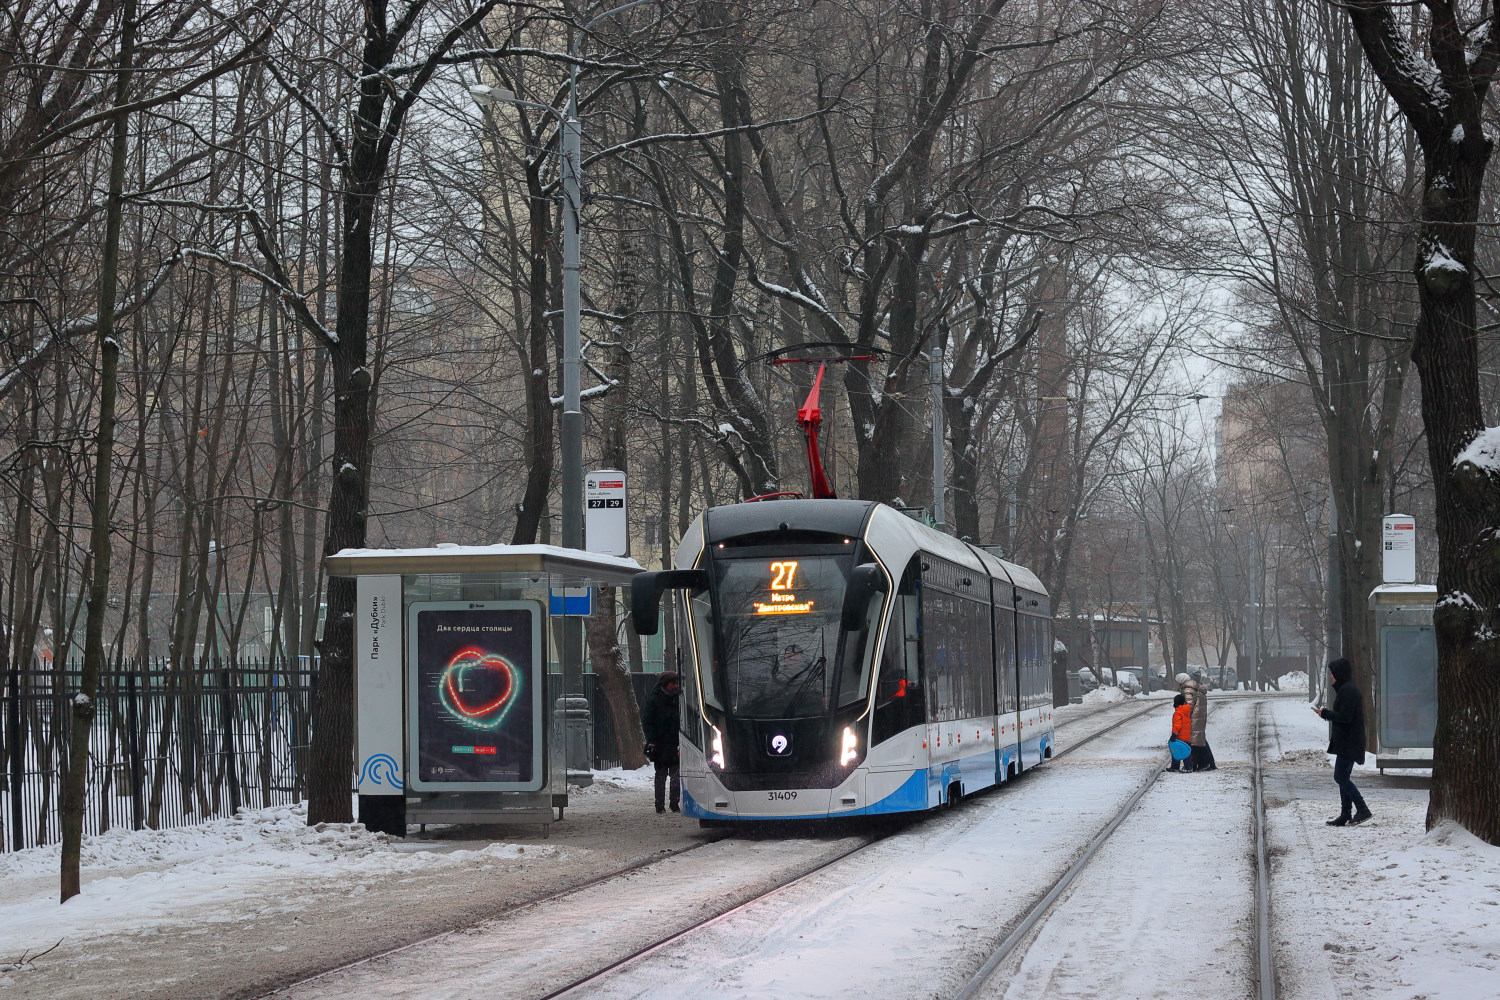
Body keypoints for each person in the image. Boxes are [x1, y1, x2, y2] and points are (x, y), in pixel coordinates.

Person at [1313, 657, 1372, 827]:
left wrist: (1325, 714)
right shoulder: (1347, 689)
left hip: (1349, 742)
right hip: (1348, 741)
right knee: (1343, 777)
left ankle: (1362, 808)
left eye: (1333, 673)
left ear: (1340, 674)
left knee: (1340, 776)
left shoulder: (1348, 691)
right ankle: (1345, 813)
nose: (1331, 677)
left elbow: (1345, 717)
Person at [641, 671, 682, 814]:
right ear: (665, 684)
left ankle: (674, 804)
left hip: (674, 742)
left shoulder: (677, 699)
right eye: (673, 683)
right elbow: (647, 721)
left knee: (675, 776)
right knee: (662, 775)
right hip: (660, 744)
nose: (676, 686)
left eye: (677, 683)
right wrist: (652, 739)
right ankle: (660, 806)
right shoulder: (655, 700)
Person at [1176, 671, 1216, 771]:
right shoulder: (1195, 687)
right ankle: (1207, 763)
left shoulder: (1188, 689)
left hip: (1193, 719)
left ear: (1181, 682)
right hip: (1198, 718)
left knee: (1193, 742)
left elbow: (1188, 706)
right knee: (1200, 741)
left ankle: (1191, 765)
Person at [1168, 693, 1193, 772]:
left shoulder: (1178, 713)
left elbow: (1177, 724)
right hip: (1186, 735)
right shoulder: (1186, 711)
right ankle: (1188, 766)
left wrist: (1174, 734)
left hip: (1179, 736)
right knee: (1186, 752)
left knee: (1176, 750)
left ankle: (1175, 766)